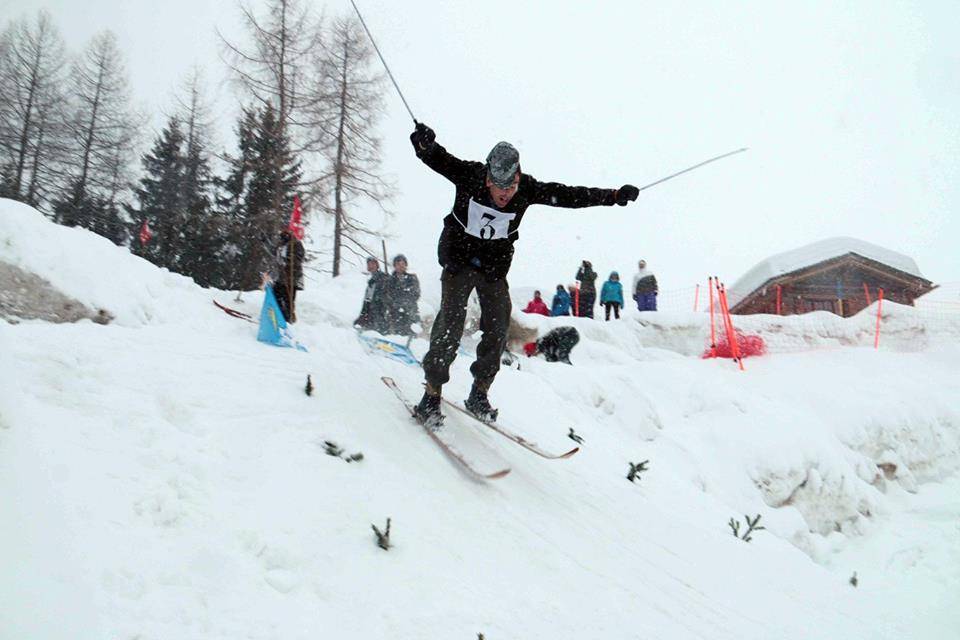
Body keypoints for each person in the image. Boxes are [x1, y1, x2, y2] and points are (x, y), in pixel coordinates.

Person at [408, 122, 639, 424]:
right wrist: (424, 144)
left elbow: (569, 195)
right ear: (487, 177)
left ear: (517, 178)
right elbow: (437, 158)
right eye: (497, 187)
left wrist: (612, 195)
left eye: (510, 187)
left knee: (498, 325)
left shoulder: (527, 188)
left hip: (492, 270)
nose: (504, 194)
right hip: (459, 262)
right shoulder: (469, 175)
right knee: (450, 323)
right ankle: (432, 393)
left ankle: (479, 391)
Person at [270, 230, 305, 323]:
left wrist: (288, 260)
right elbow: (273, 252)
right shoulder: (281, 245)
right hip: (281, 277)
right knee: (275, 294)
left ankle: (288, 319)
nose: (282, 238)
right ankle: (278, 315)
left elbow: (299, 258)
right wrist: (265, 241)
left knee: (288, 299)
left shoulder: (296, 244)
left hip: (292, 277)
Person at [384, 254, 421, 336]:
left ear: (406, 265)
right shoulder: (390, 280)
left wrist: (403, 298)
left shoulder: (412, 278)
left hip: (410, 312)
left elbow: (416, 294)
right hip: (395, 313)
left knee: (411, 336)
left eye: (403, 264)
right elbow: (388, 296)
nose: (401, 266)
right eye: (398, 264)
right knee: (396, 336)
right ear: (394, 266)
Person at [354, 256, 388, 332]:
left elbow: (385, 294)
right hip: (369, 310)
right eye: (369, 264)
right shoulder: (371, 280)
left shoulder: (383, 277)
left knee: (378, 330)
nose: (370, 266)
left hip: (379, 311)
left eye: (373, 264)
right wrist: (363, 314)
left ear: (377, 265)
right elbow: (367, 299)